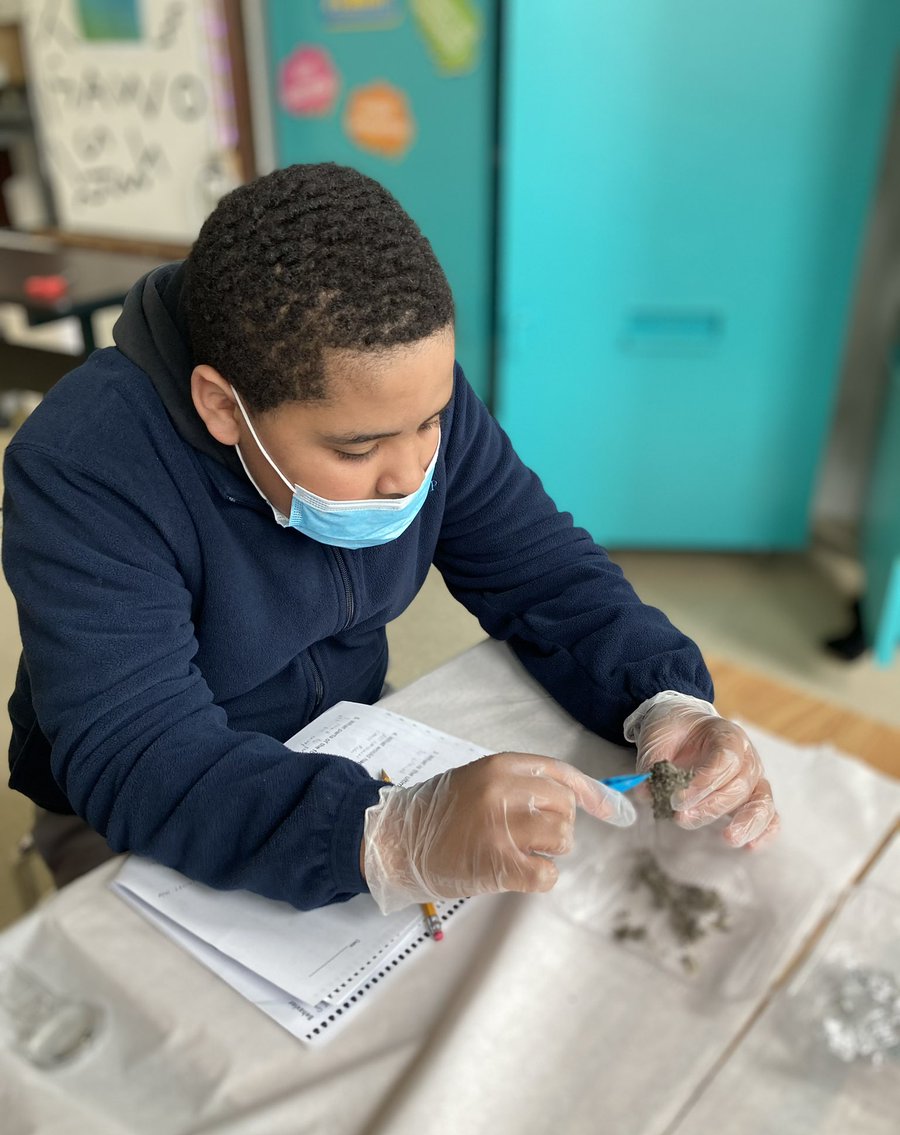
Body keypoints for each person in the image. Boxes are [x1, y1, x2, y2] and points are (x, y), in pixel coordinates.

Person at [2, 164, 778, 913]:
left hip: (348, 732)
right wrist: (385, 835)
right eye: (357, 450)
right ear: (223, 407)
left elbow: (545, 573)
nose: (412, 471)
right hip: (132, 809)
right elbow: (138, 754)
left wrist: (664, 698)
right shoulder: (83, 468)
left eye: (432, 421)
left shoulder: (398, 392)